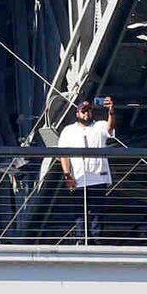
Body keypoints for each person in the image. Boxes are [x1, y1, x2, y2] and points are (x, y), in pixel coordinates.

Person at [56, 98, 114, 243]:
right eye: (83, 111)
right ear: (77, 114)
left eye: (88, 111)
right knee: (79, 213)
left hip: (98, 178)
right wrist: (67, 175)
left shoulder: (99, 126)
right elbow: (64, 156)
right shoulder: (68, 131)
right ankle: (81, 240)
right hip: (79, 179)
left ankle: (97, 241)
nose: (86, 114)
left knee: (97, 213)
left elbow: (110, 128)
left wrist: (111, 111)